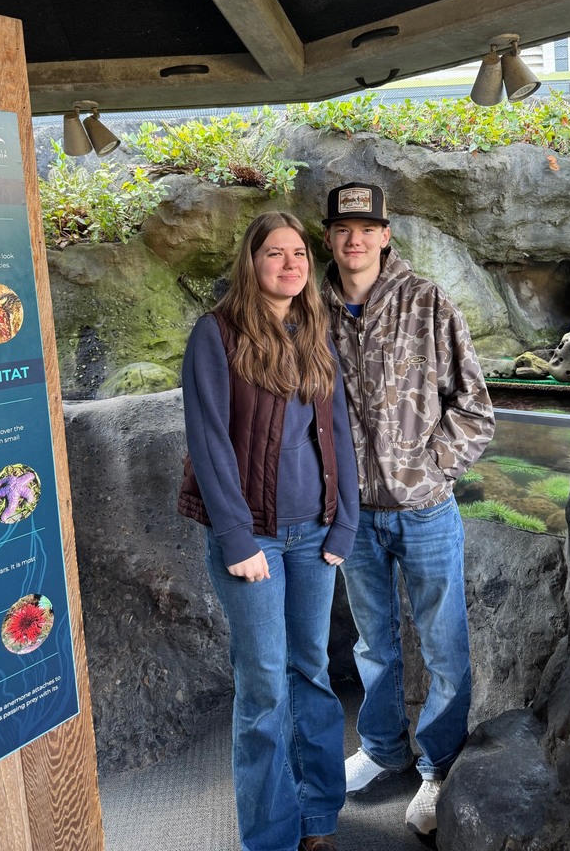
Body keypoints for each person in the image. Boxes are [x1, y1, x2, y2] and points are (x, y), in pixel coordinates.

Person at [178, 211, 359, 851]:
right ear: (251, 264)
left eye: (299, 254)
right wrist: (237, 539)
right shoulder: (216, 334)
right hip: (254, 540)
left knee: (311, 671)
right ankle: (271, 835)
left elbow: (339, 432)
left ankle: (316, 818)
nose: (291, 264)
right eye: (275, 253)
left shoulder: (315, 331)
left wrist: (346, 523)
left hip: (315, 535)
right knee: (262, 685)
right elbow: (208, 443)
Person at [320, 182, 495, 838]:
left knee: (444, 644)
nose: (355, 238)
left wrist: (426, 473)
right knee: (373, 643)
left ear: (386, 234)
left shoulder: (428, 304)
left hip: (424, 511)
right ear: (330, 237)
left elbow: (476, 412)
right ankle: (384, 749)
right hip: (354, 517)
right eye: (343, 228)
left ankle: (439, 767)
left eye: (367, 227)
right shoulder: (313, 314)